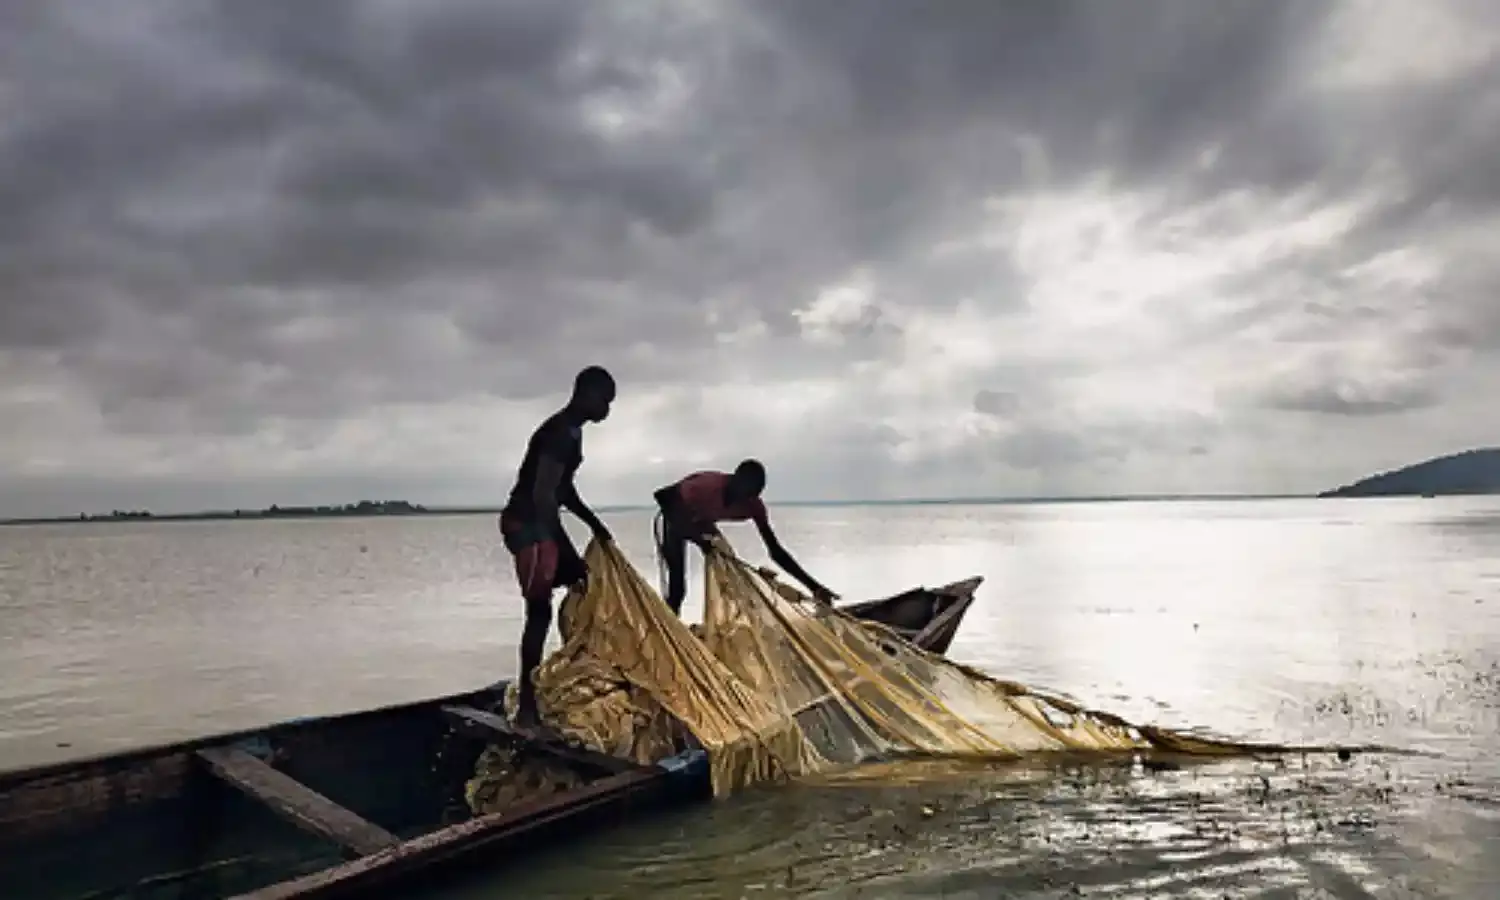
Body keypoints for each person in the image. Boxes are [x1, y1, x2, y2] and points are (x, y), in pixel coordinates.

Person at [498, 365, 616, 732]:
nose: (608, 409)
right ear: (586, 393)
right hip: (527, 527)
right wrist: (565, 548)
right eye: (605, 400)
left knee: (578, 586)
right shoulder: (558, 433)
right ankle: (528, 710)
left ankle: (563, 676)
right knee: (538, 613)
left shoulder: (573, 432)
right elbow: (542, 496)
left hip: (542, 525)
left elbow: (564, 490)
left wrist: (593, 522)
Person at [652, 459, 838, 615]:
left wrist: (814, 587)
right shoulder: (707, 486)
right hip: (676, 516)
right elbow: (663, 497)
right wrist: (698, 539)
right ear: (734, 480)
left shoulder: (753, 506)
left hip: (703, 521)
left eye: (753, 494)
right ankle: (670, 632)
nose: (746, 499)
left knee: (728, 567)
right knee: (678, 586)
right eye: (745, 492)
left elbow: (776, 551)